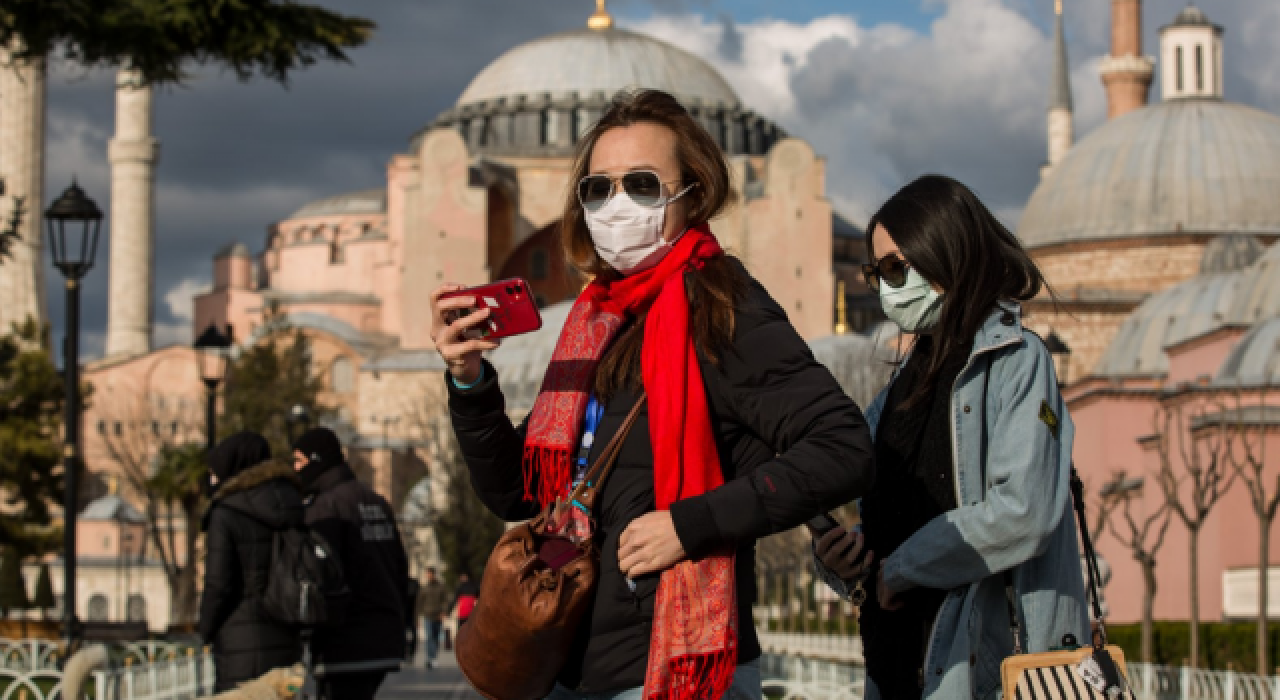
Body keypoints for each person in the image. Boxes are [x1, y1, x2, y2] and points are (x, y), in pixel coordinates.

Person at [431, 88, 875, 700]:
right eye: (598, 187)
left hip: (672, 671)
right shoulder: (595, 322)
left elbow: (843, 446)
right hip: (570, 662)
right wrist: (470, 381)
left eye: (642, 184)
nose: (616, 204)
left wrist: (691, 525)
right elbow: (517, 490)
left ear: (693, 192)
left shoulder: (722, 305)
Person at [813, 175, 1088, 700]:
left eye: (896, 267)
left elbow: (1022, 512)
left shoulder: (1015, 361)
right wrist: (842, 564)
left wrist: (902, 569)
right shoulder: (898, 390)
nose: (887, 286)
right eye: (877, 272)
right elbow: (885, 536)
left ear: (944, 251)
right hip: (896, 666)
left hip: (987, 668)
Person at [292, 427, 411, 700]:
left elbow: (321, 575)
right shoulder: (375, 501)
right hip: (382, 636)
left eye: (299, 461)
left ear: (316, 460)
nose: (295, 469)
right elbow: (399, 567)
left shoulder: (325, 508)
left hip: (345, 641)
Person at [198, 432, 303, 692]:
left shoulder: (225, 514)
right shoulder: (293, 504)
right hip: (287, 638)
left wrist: (204, 630)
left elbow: (218, 585)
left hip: (239, 645)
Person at [417, 567, 450, 669]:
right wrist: (419, 615)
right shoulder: (424, 588)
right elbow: (420, 602)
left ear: (433, 574)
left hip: (438, 615)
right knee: (429, 636)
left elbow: (445, 600)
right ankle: (430, 658)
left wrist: (444, 612)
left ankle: (434, 657)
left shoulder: (440, 587)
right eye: (427, 574)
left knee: (435, 637)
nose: (429, 576)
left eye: (430, 574)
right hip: (427, 615)